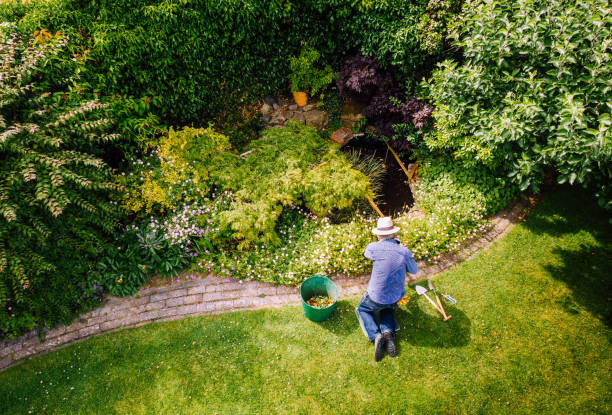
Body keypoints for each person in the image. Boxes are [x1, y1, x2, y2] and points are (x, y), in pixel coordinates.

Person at [355, 216, 418, 362]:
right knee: (387, 309)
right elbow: (414, 270)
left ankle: (375, 335)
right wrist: (402, 250)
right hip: (396, 297)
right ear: (394, 233)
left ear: (378, 234)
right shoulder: (403, 251)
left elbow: (367, 254)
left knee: (362, 309)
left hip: (375, 296)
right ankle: (388, 331)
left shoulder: (373, 247)